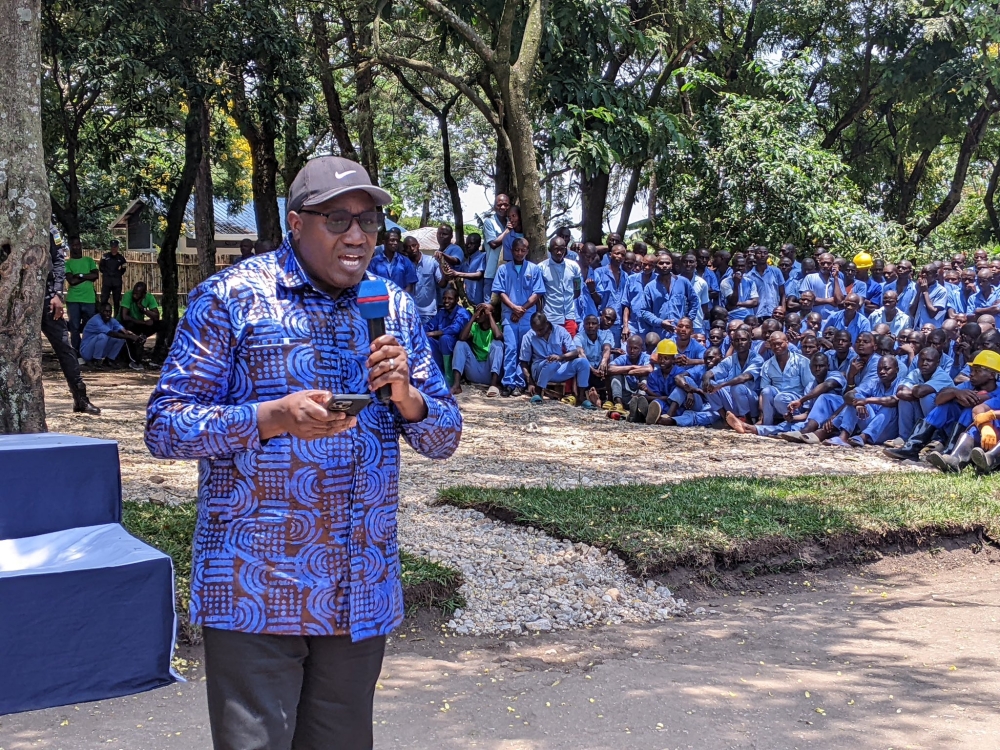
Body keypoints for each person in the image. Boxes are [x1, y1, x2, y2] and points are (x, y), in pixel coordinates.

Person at [145, 155, 462, 750]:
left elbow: (443, 437)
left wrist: (408, 397)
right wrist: (269, 418)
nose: (357, 236)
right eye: (338, 219)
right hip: (255, 589)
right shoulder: (233, 298)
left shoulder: (390, 306)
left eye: (369, 222)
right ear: (296, 223)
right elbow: (165, 426)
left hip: (358, 589)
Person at [41, 228, 100, 414]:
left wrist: (57, 293)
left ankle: (80, 398)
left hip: (47, 297)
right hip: (15, 298)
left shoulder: (50, 228)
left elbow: (58, 260)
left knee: (65, 346)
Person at [492, 237, 545, 396]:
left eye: (523, 250)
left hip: (528, 316)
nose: (520, 253)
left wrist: (522, 309)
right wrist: (514, 308)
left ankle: (520, 382)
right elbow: (500, 292)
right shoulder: (503, 269)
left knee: (524, 350)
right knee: (511, 348)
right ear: (511, 251)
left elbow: (537, 293)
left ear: (527, 251)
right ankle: (508, 382)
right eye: (517, 250)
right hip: (509, 315)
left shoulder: (534, 269)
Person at [518, 312, 590, 405]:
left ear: (547, 324)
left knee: (583, 362)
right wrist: (530, 382)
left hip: (559, 367)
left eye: (540, 329)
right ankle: (538, 393)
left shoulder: (560, 331)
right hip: (539, 369)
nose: (538, 333)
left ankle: (581, 397)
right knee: (553, 362)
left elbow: (575, 352)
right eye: (535, 330)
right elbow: (523, 362)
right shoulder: (528, 336)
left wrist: (561, 357)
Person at [703, 326, 762, 422]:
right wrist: (706, 379)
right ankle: (725, 418)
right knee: (709, 385)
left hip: (751, 403)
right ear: (733, 343)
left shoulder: (757, 359)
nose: (740, 342)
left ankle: (748, 420)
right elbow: (711, 372)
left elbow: (744, 377)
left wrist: (721, 385)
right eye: (737, 340)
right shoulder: (730, 360)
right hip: (733, 401)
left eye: (743, 340)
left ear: (750, 343)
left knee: (737, 387)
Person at [635, 252, 699, 336]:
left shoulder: (683, 282)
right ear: (655, 266)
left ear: (672, 265)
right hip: (660, 332)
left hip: (680, 333)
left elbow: (694, 301)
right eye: (661, 263)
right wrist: (660, 322)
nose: (664, 265)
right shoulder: (650, 287)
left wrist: (688, 320)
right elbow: (644, 311)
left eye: (667, 263)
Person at [757, 331, 812, 425]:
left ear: (787, 342)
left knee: (780, 398)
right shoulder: (767, 365)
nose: (776, 347)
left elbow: (809, 387)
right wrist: (761, 414)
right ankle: (767, 423)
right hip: (776, 402)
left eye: (779, 343)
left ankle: (795, 422)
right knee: (767, 391)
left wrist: (807, 409)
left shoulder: (802, 362)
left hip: (797, 403)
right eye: (773, 344)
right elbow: (764, 392)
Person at [451, 302, 504, 397]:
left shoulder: (496, 326)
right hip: (475, 370)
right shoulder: (475, 327)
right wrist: (473, 318)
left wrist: (489, 315)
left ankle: (493, 385)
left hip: (491, 371)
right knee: (460, 344)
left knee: (498, 344)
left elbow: (498, 336)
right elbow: (462, 337)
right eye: (477, 311)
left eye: (482, 312)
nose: (478, 314)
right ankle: (456, 385)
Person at [538, 236, 583, 336]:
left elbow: (577, 291)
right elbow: (539, 296)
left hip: (569, 316)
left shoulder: (574, 266)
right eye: (556, 249)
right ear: (550, 250)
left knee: (570, 348)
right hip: (551, 316)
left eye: (561, 249)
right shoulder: (541, 268)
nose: (559, 252)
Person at [80, 302, 145, 370]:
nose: (108, 314)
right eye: (106, 311)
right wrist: (131, 337)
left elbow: (122, 330)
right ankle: (96, 361)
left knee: (121, 339)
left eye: (110, 312)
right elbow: (111, 333)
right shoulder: (96, 320)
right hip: (86, 351)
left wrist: (133, 335)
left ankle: (109, 360)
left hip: (99, 348)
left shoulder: (111, 320)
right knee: (103, 336)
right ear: (101, 312)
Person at [424, 287, 471, 376]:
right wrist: (419, 331)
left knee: (445, 338)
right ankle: (437, 370)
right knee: (427, 338)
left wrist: (435, 333)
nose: (446, 301)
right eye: (444, 298)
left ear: (457, 300)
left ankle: (449, 375)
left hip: (458, 349)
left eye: (450, 298)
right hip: (443, 347)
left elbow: (455, 328)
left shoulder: (462, 312)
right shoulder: (442, 312)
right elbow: (430, 325)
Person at [65, 235, 99, 355]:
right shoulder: (67, 263)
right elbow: (71, 282)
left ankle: (88, 350)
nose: (77, 247)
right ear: (70, 247)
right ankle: (77, 352)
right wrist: (87, 276)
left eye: (78, 245)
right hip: (73, 299)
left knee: (89, 327)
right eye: (74, 245)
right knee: (74, 328)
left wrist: (79, 275)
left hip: (89, 299)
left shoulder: (89, 260)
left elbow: (95, 275)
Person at [592, 243, 632, 344]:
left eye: (622, 255)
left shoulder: (625, 276)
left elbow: (626, 302)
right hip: (603, 322)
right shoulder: (599, 272)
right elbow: (598, 297)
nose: (619, 257)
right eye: (617, 253)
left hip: (618, 323)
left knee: (615, 352)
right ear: (610, 255)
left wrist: (625, 325)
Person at [574, 313, 613, 407]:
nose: (590, 326)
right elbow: (580, 353)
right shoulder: (579, 337)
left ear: (598, 325)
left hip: (600, 368)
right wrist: (592, 369)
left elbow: (607, 348)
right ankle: (581, 396)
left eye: (593, 323)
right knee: (580, 364)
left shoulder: (605, 334)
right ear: (584, 326)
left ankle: (610, 399)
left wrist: (603, 361)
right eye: (588, 323)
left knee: (610, 365)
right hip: (588, 368)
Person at [608, 334, 653, 416]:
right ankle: (619, 404)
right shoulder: (624, 358)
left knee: (644, 376)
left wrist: (628, 371)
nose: (632, 351)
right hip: (626, 393)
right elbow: (610, 369)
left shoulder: (646, 357)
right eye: (629, 347)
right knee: (615, 376)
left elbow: (649, 369)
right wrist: (632, 367)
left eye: (635, 348)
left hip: (640, 392)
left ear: (641, 348)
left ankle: (640, 404)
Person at [119, 281, 162, 364]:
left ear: (143, 294)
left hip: (139, 324)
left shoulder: (149, 297)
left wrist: (143, 309)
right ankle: (133, 358)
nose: (134, 295)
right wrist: (143, 323)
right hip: (128, 324)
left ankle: (159, 353)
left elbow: (156, 317)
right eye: (134, 293)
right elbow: (124, 317)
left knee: (161, 324)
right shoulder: (128, 295)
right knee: (129, 324)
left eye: (137, 294)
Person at [402, 234, 443, 322]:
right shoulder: (402, 264)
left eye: (414, 245)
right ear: (405, 250)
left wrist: (446, 274)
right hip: (409, 311)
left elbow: (442, 283)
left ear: (418, 245)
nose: (412, 249)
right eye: (408, 247)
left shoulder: (431, 261)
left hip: (428, 312)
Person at [368, 227, 417, 293]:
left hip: (400, 301)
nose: (395, 243)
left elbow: (410, 285)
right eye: (392, 240)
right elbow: (370, 284)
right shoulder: (374, 262)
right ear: (384, 242)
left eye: (397, 240)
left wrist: (400, 298)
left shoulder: (405, 261)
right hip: (380, 300)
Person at [798, 252, 842, 321]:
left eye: (829, 263)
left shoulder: (838, 281)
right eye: (823, 263)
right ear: (818, 263)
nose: (825, 265)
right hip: (813, 319)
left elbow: (839, 301)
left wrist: (836, 278)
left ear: (833, 265)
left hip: (833, 319)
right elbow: (806, 301)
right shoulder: (810, 278)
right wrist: (829, 301)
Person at [481, 193, 510, 298]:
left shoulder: (511, 222)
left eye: (506, 205)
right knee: (489, 306)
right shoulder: (489, 222)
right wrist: (507, 231)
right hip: (492, 273)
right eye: (499, 205)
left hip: (507, 273)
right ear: (494, 207)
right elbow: (493, 244)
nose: (503, 207)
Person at [445, 233, 486, 305]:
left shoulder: (483, 256)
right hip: (468, 302)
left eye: (472, 243)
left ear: (479, 245)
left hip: (480, 302)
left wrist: (457, 273)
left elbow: (479, 275)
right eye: (467, 244)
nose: (468, 246)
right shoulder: (466, 262)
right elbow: (456, 273)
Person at [746, 245, 784, 318]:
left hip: (774, 313)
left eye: (765, 253)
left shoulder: (776, 271)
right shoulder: (748, 276)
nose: (762, 255)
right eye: (759, 253)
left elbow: (782, 293)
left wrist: (783, 309)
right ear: (754, 255)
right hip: (757, 314)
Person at [719, 253, 759, 322]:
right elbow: (733, 300)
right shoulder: (725, 282)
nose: (740, 268)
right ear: (732, 267)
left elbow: (755, 302)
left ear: (745, 267)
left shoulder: (750, 282)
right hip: (733, 319)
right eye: (738, 266)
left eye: (742, 266)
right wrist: (736, 284)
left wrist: (738, 304)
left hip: (748, 319)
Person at [99, 239, 127, 316]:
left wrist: (118, 274)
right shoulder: (105, 256)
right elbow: (101, 267)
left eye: (115, 247)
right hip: (107, 282)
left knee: (116, 301)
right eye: (112, 247)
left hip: (117, 282)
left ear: (117, 247)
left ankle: (116, 317)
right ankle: (102, 315)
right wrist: (106, 273)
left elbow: (124, 267)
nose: (113, 248)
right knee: (104, 299)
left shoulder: (121, 258)